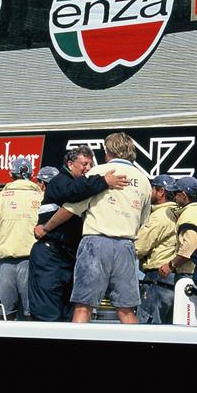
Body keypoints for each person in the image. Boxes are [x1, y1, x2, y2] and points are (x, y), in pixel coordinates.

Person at [41, 132, 151, 324]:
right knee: (126, 310)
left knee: (83, 306)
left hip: (96, 243)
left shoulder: (98, 173)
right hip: (125, 245)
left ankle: (76, 349)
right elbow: (144, 219)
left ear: (108, 151)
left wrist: (46, 227)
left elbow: (71, 209)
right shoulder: (143, 180)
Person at [31, 147, 127, 322]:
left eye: (91, 164)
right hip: (50, 256)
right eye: (84, 164)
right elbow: (73, 192)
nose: (88, 168)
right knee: (48, 313)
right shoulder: (59, 182)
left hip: (70, 257)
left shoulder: (85, 189)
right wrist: (104, 181)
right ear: (70, 164)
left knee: (69, 312)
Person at [0, 156, 42, 320]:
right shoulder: (42, 197)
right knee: (32, 316)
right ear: (32, 175)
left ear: (11, 175)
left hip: (5, 263)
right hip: (33, 264)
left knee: (2, 317)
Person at [160, 176, 197, 323]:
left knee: (187, 321)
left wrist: (170, 265)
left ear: (183, 195)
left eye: (175, 194)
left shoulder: (188, 215)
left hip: (190, 275)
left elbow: (190, 247)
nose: (173, 197)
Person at [135, 174, 178, 324]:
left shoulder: (159, 216)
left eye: (152, 189)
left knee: (148, 326)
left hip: (157, 279)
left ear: (161, 192)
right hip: (174, 278)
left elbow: (138, 247)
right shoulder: (178, 213)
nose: (149, 192)